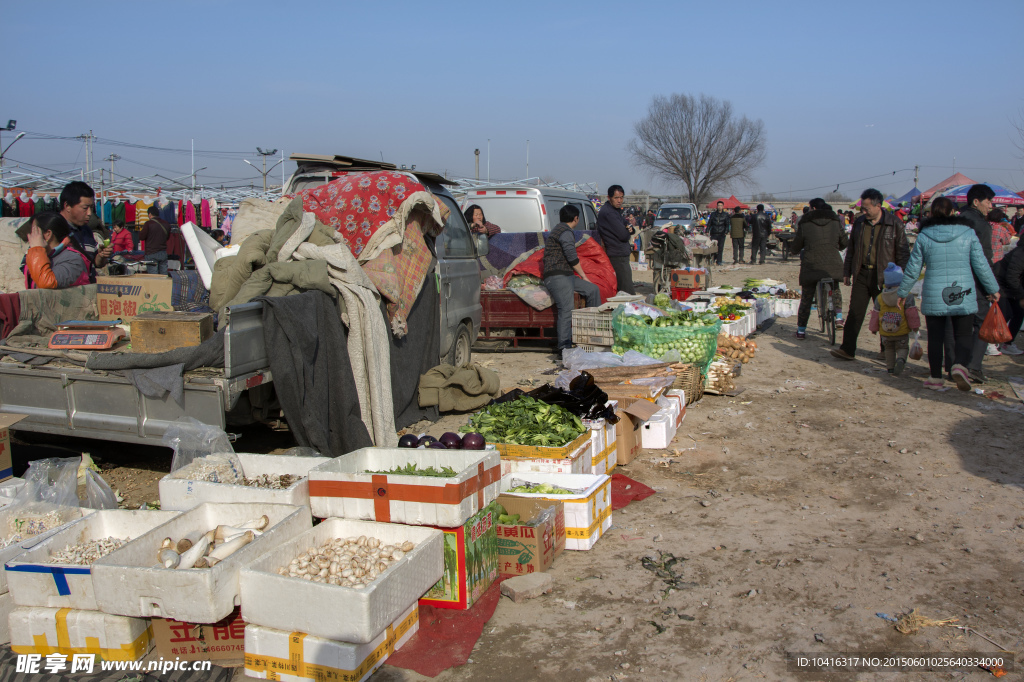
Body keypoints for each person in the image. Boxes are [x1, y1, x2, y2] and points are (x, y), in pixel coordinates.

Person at [896, 196, 1000, 391]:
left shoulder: (924, 236)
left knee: (936, 337)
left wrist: (903, 291)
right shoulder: (968, 233)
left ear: (932, 213)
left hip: (935, 292)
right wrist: (993, 289)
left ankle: (935, 377)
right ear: (953, 212)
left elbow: (913, 268)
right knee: (963, 334)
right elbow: (981, 265)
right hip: (963, 291)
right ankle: (960, 366)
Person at [831, 188, 911, 361]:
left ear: (878, 206)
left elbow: (903, 253)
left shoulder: (894, 224)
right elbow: (851, 249)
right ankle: (847, 349)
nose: (863, 211)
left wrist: (903, 277)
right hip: (862, 273)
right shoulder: (860, 223)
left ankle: (886, 349)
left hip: (886, 277)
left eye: (866, 208)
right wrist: (847, 271)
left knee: (886, 313)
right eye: (862, 208)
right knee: (855, 312)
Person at [543, 204, 600, 354]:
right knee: (566, 309)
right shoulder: (565, 232)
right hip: (556, 275)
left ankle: (591, 334)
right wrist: (584, 275)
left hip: (566, 275)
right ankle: (564, 347)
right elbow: (571, 256)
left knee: (593, 290)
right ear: (576, 218)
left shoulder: (559, 229)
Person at [791, 198, 848, 339]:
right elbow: (844, 242)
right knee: (834, 287)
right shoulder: (835, 222)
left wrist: (795, 249)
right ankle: (839, 318)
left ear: (813, 208)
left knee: (807, 297)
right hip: (833, 263)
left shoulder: (805, 223)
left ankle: (801, 330)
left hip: (811, 265)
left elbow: (797, 246)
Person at [959, 185, 995, 380]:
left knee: (958, 323)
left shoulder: (956, 220)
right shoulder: (981, 225)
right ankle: (973, 366)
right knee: (981, 321)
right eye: (988, 201)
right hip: (975, 281)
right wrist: (991, 287)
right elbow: (985, 259)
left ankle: (956, 365)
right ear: (976, 202)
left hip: (954, 280)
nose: (990, 206)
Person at [869, 263, 920, 376]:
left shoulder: (880, 297)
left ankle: (890, 368)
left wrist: (874, 328)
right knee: (902, 347)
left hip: (885, 332)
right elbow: (911, 313)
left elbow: (875, 314)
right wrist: (915, 327)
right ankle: (901, 360)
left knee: (889, 350)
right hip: (901, 331)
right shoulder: (907, 296)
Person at [21, 212, 91, 289]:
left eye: (34, 231)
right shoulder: (42, 255)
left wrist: (37, 249)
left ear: (48, 234)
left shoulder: (73, 260)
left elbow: (46, 282)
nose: (30, 236)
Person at [59, 181, 111, 274]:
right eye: (85, 208)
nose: (89, 213)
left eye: (91, 208)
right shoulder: (52, 229)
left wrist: (100, 257)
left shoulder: (86, 230)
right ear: (67, 206)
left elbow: (93, 263)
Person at [597, 185, 635, 294]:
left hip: (621, 253)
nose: (619, 201)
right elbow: (624, 235)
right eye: (616, 198)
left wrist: (628, 229)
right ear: (609, 198)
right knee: (627, 291)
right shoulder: (609, 213)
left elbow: (628, 226)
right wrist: (627, 231)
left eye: (621, 197)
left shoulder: (615, 210)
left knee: (623, 289)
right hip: (617, 255)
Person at [993, 235, 1024, 355]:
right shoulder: (1021, 253)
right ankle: (988, 341)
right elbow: (1011, 276)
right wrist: (1022, 296)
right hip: (1000, 282)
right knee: (1005, 314)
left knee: (1019, 313)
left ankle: (1007, 343)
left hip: (1013, 285)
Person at [139, 205, 172, 275]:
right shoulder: (166, 224)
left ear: (150, 214)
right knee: (164, 276)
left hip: (151, 253)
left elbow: (141, 237)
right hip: (163, 252)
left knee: (153, 277)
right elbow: (167, 237)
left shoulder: (148, 224)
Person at [706, 201, 730, 265]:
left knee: (720, 248)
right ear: (717, 206)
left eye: (721, 205)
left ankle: (719, 261)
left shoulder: (725, 214)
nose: (720, 207)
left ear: (723, 206)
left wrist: (726, 232)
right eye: (718, 205)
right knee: (713, 248)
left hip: (722, 234)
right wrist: (707, 230)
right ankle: (713, 260)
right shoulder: (713, 214)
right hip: (714, 233)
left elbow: (727, 224)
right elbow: (709, 223)